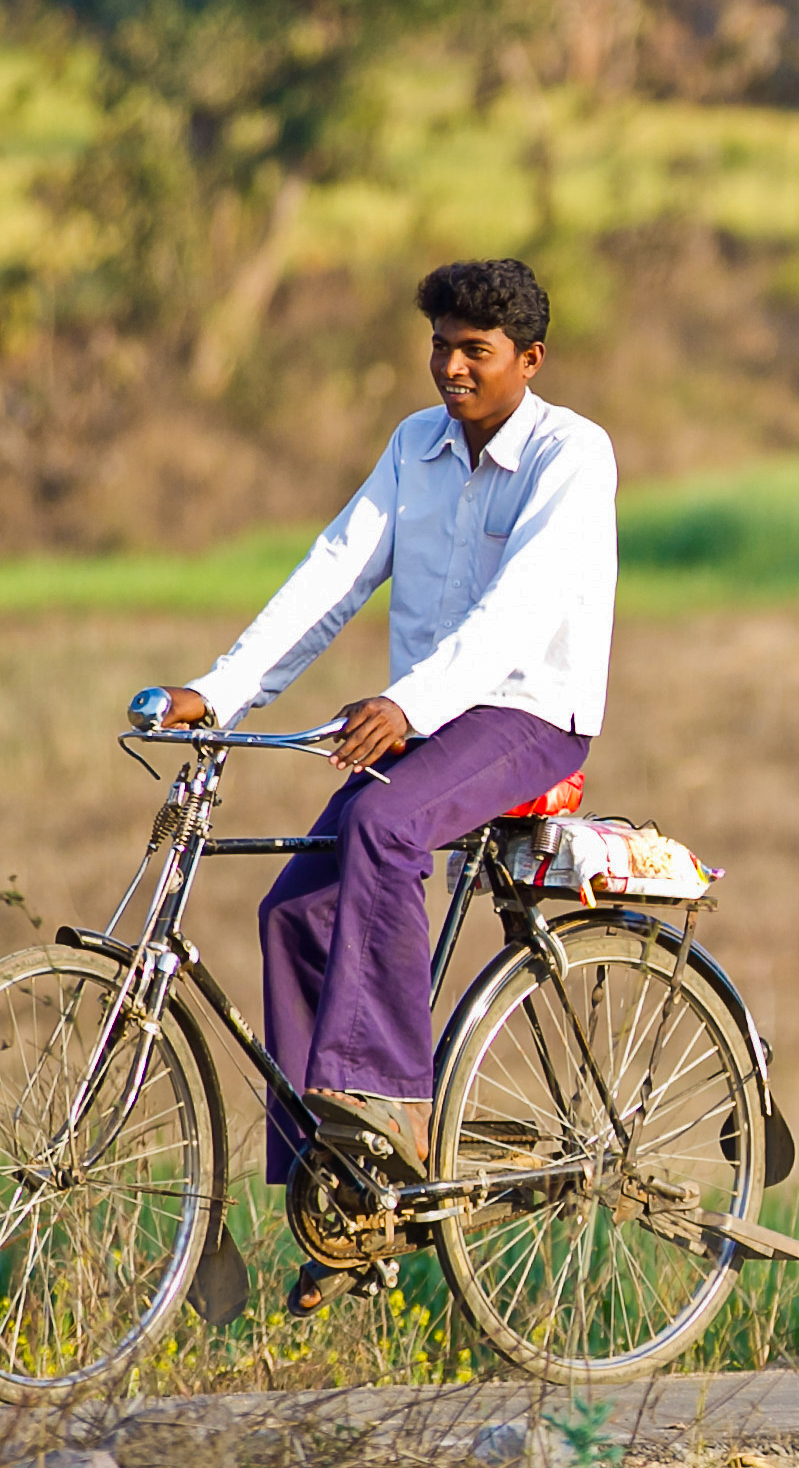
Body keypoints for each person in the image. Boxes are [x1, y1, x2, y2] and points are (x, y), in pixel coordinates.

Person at [144, 258, 616, 1313]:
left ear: (529, 362)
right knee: (294, 909)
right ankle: (348, 1196)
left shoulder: (573, 456)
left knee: (388, 831)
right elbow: (333, 573)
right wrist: (220, 692)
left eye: (475, 352)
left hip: (527, 714)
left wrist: (411, 704)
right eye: (440, 345)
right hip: (428, 712)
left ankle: (395, 1104)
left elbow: (522, 607)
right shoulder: (416, 447)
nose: (451, 367)